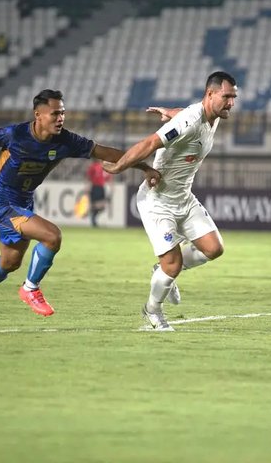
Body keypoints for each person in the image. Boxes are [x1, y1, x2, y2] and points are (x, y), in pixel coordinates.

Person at [0, 89, 160, 328]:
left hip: (23, 201)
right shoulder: (14, 134)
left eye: (62, 113)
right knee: (52, 236)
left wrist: (144, 167)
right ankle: (30, 289)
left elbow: (106, 152)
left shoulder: (67, 141)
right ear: (37, 115)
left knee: (10, 262)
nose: (60, 118)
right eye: (54, 114)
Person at [102, 71, 238, 331]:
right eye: (227, 96)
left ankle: (161, 269)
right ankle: (152, 311)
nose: (231, 102)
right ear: (210, 94)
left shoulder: (211, 115)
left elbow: (185, 114)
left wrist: (169, 112)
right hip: (158, 201)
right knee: (173, 264)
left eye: (234, 97)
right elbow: (151, 142)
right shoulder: (191, 119)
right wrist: (120, 166)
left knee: (214, 248)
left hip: (184, 199)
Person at [86, 159, 112, 227]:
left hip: (101, 187)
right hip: (95, 187)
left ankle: (92, 213)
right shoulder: (93, 166)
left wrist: (111, 186)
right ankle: (93, 218)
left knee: (102, 206)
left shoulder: (104, 167)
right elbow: (89, 177)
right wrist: (88, 186)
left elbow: (108, 177)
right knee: (97, 204)